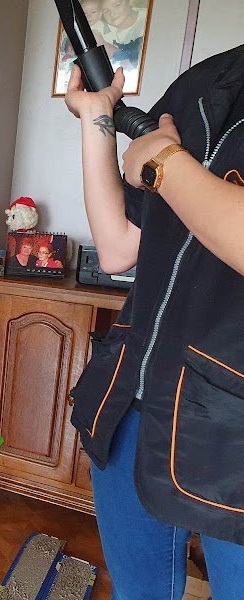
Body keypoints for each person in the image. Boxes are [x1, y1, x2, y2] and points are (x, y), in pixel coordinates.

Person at [65, 44, 244, 599]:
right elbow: (118, 246)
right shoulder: (205, 83)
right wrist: (97, 118)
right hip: (134, 406)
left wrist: (164, 162)